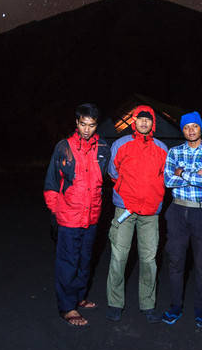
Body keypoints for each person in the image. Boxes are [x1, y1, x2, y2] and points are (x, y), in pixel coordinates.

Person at [44, 103, 111, 327]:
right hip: (69, 217)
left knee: (85, 260)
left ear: (96, 125)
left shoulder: (103, 148)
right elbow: (52, 183)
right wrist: (56, 213)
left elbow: (107, 179)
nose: (86, 129)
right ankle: (67, 307)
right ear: (76, 123)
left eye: (91, 125)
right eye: (83, 124)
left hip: (92, 216)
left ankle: (79, 296)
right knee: (68, 262)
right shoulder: (64, 147)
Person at [106, 105, 168, 324]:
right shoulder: (120, 144)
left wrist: (153, 195)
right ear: (134, 121)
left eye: (148, 119)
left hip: (150, 212)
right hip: (125, 208)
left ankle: (148, 304)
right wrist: (127, 192)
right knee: (119, 257)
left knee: (149, 260)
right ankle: (115, 303)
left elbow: (165, 176)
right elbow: (113, 172)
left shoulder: (161, 148)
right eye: (140, 119)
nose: (144, 122)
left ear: (153, 123)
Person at [161, 111, 202, 329]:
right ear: (182, 130)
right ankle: (175, 307)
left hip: (201, 213)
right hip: (177, 211)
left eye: (194, 126)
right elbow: (168, 181)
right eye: (186, 127)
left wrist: (183, 173)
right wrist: (197, 175)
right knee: (176, 262)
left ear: (200, 128)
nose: (191, 130)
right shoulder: (174, 152)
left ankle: (199, 311)